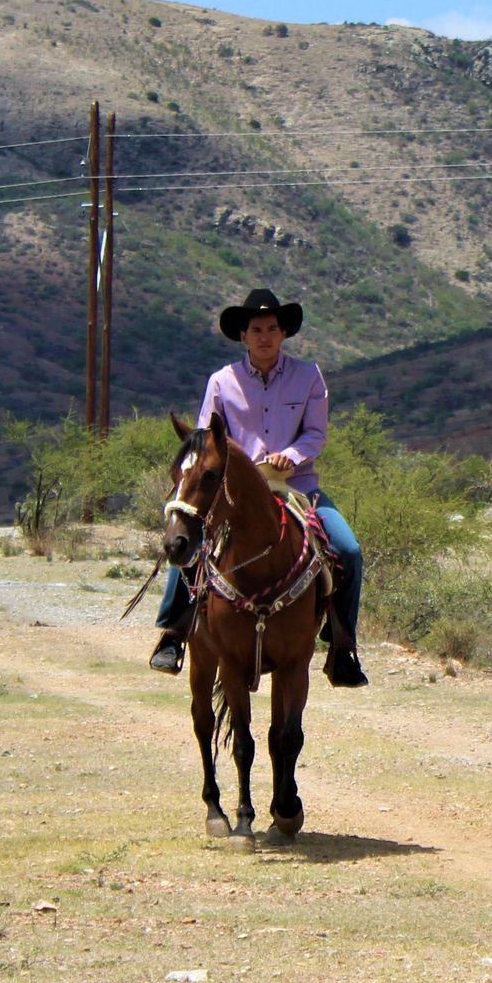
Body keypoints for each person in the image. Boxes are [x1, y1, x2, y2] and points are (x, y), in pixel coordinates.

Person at [149, 288, 368, 687]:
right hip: (235, 492)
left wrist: (293, 454)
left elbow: (317, 434)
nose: (264, 336)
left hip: (296, 487)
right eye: (256, 329)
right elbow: (204, 440)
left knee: (348, 550)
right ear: (243, 336)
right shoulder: (222, 382)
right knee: (189, 544)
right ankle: (174, 633)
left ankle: (341, 646)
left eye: (271, 328)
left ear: (283, 333)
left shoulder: (308, 377)